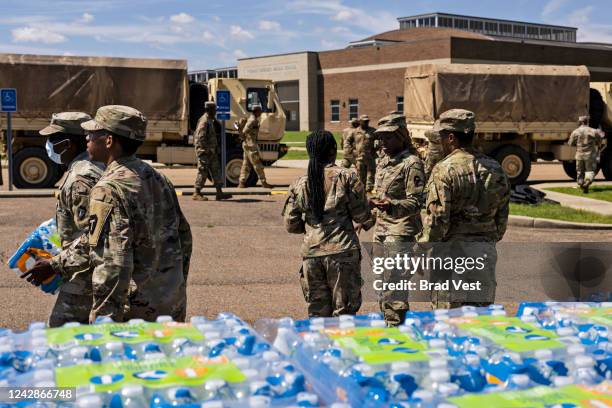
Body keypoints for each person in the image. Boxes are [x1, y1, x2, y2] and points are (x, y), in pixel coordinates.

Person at [24, 105, 192, 323]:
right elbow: (184, 238)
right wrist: (175, 287)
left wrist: (104, 319)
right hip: (169, 301)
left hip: (135, 308)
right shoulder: (158, 178)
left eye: (93, 133)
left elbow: (112, 259)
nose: (87, 138)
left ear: (109, 141)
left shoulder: (109, 188)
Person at [417, 109, 510, 309]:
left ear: (451, 138)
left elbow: (438, 221)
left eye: (441, 137)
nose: (439, 142)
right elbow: (501, 219)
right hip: (483, 255)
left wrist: (421, 247)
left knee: (449, 323)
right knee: (479, 321)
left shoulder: (444, 170)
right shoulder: (495, 168)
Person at [282, 130, 372, 317]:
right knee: (344, 315)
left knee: (317, 315)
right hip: (343, 253)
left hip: (312, 254)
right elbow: (362, 216)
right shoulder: (347, 177)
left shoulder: (300, 183)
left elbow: (291, 224)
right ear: (333, 150)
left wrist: (312, 228)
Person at [40, 112, 105, 327]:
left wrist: (55, 265)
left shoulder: (81, 177)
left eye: (52, 139)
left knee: (61, 334)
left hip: (84, 276)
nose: (48, 145)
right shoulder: (94, 167)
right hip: (84, 268)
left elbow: (94, 236)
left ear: (66, 144)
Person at [369, 123, 425, 326]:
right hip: (381, 230)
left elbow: (417, 201)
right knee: (381, 282)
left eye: (388, 138)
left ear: (401, 137)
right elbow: (380, 195)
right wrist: (368, 216)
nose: (383, 142)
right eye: (381, 138)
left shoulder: (412, 163)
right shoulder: (384, 161)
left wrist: (391, 205)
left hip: (401, 230)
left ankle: (396, 328)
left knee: (395, 283)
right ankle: (388, 322)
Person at [193, 101, 232, 201]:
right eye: (214, 110)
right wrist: (207, 150)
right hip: (205, 152)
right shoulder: (204, 121)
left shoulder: (210, 119)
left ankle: (219, 193)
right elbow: (200, 138)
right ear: (209, 110)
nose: (215, 111)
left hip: (211, 151)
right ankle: (197, 193)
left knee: (216, 171)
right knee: (203, 171)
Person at [239, 104, 272, 189]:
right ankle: (264, 182)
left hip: (247, 144)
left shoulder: (252, 119)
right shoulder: (253, 120)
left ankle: (241, 183)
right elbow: (244, 131)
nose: (261, 113)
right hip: (250, 145)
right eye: (260, 111)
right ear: (256, 111)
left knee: (246, 164)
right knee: (257, 164)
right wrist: (244, 136)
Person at [568, 115, 602, 193]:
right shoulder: (593, 131)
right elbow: (599, 141)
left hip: (579, 154)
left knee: (580, 171)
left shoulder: (575, 131)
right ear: (587, 121)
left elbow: (570, 143)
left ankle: (580, 183)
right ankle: (587, 182)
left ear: (580, 122)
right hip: (590, 155)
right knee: (590, 170)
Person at [353, 115, 377, 191]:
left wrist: (376, 149)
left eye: (367, 121)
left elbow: (380, 140)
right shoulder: (355, 131)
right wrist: (352, 151)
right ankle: (360, 195)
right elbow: (348, 141)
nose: (366, 123)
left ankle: (369, 193)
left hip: (370, 157)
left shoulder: (373, 131)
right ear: (360, 122)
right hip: (360, 158)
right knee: (360, 178)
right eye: (364, 121)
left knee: (370, 177)